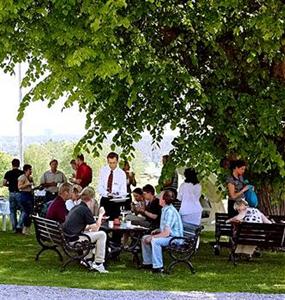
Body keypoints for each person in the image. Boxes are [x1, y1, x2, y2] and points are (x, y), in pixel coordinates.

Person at [63, 187, 108, 273]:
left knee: (89, 233)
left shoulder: (76, 207)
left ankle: (88, 259)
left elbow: (79, 225)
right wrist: (101, 214)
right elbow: (96, 229)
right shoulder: (85, 210)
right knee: (102, 234)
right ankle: (98, 263)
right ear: (91, 200)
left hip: (68, 238)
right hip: (74, 240)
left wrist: (88, 228)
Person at [141, 190, 183, 273]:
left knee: (155, 241)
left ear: (163, 200)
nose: (157, 198)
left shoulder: (170, 211)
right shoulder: (164, 209)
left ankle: (158, 267)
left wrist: (152, 237)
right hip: (169, 235)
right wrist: (158, 230)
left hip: (175, 238)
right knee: (144, 238)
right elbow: (166, 228)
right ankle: (148, 262)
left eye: (160, 197)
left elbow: (167, 233)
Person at [98, 152, 127, 220]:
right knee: (103, 221)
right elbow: (100, 187)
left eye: (114, 162)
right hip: (105, 199)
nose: (112, 165)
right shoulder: (103, 171)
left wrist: (116, 194)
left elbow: (123, 191)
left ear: (117, 161)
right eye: (110, 163)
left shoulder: (121, 174)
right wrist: (107, 193)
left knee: (114, 222)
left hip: (116, 202)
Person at [3, 158, 24, 233]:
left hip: (11, 193)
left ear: (12, 164)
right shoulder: (22, 173)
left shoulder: (8, 173)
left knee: (12, 211)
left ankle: (14, 228)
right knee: (23, 210)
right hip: (20, 193)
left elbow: (4, 183)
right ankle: (19, 225)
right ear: (19, 164)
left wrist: (10, 185)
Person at [18, 164, 34, 235]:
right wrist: (27, 185)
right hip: (24, 195)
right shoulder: (22, 177)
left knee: (30, 212)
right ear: (26, 170)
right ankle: (24, 228)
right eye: (30, 169)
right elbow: (19, 187)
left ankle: (28, 228)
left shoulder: (30, 178)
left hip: (30, 194)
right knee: (26, 212)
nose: (31, 171)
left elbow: (31, 186)